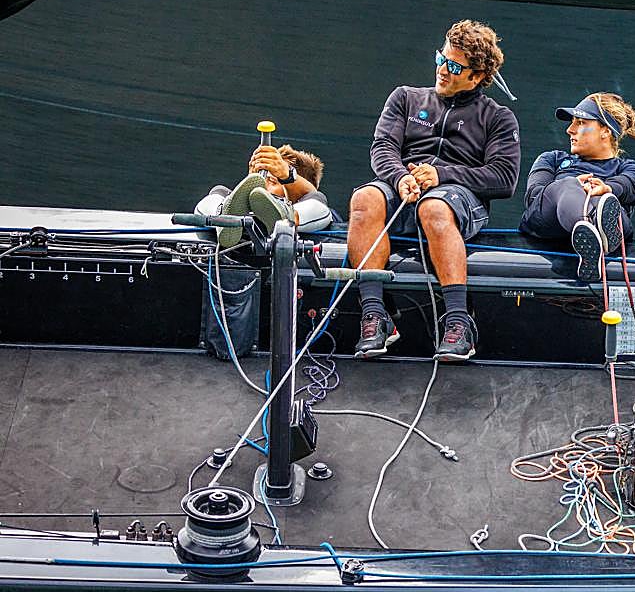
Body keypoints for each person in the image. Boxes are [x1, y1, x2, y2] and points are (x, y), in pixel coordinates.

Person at [347, 20, 519, 361]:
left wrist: (441, 174)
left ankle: (458, 321)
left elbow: (503, 178)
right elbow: (383, 148)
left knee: (434, 207)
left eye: (454, 67)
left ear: (477, 76)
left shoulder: (498, 117)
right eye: (441, 59)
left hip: (458, 199)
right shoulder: (405, 97)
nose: (442, 69)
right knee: (364, 198)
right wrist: (400, 178)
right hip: (404, 187)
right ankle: (376, 315)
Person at [519, 93, 635, 280]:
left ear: (606, 131)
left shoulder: (629, 168)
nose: (569, 130)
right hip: (548, 221)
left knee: (607, 202)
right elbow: (534, 196)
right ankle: (592, 232)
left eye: (580, 123)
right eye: (572, 122)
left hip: (613, 225)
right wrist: (574, 189)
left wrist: (605, 188)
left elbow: (629, 185)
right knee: (568, 185)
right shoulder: (552, 159)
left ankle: (595, 237)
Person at [195, 143, 333, 248]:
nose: (262, 184)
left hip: (287, 244)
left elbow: (314, 200)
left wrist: (287, 175)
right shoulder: (229, 197)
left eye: (272, 181)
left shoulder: (314, 204)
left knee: (319, 200)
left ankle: (286, 217)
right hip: (234, 237)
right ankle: (223, 217)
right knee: (219, 192)